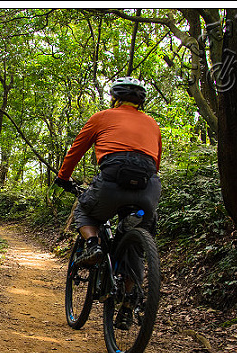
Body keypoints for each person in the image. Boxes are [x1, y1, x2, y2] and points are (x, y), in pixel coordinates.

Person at [54, 77, 162, 267]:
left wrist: (63, 177)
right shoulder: (152, 124)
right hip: (148, 189)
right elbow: (156, 163)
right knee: (134, 248)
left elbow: (75, 151)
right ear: (140, 101)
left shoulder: (102, 117)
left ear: (114, 98)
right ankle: (130, 293)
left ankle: (94, 245)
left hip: (111, 184)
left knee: (84, 211)